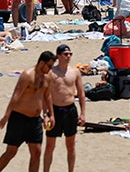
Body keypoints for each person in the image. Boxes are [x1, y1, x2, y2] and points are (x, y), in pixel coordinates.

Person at [0, 51, 56, 172]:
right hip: (19, 118)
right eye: (49, 66)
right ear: (41, 63)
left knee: (36, 152)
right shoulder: (28, 75)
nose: (50, 69)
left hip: (35, 119)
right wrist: (6, 116)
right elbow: (16, 96)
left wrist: (50, 114)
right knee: (11, 151)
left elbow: (47, 95)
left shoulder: (48, 76)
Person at [44, 44, 86, 172]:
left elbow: (81, 93)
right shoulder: (51, 72)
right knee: (50, 145)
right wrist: (46, 114)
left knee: (71, 145)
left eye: (70, 54)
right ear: (58, 56)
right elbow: (45, 95)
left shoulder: (75, 72)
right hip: (54, 111)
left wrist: (83, 113)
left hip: (70, 110)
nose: (68, 56)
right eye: (65, 54)